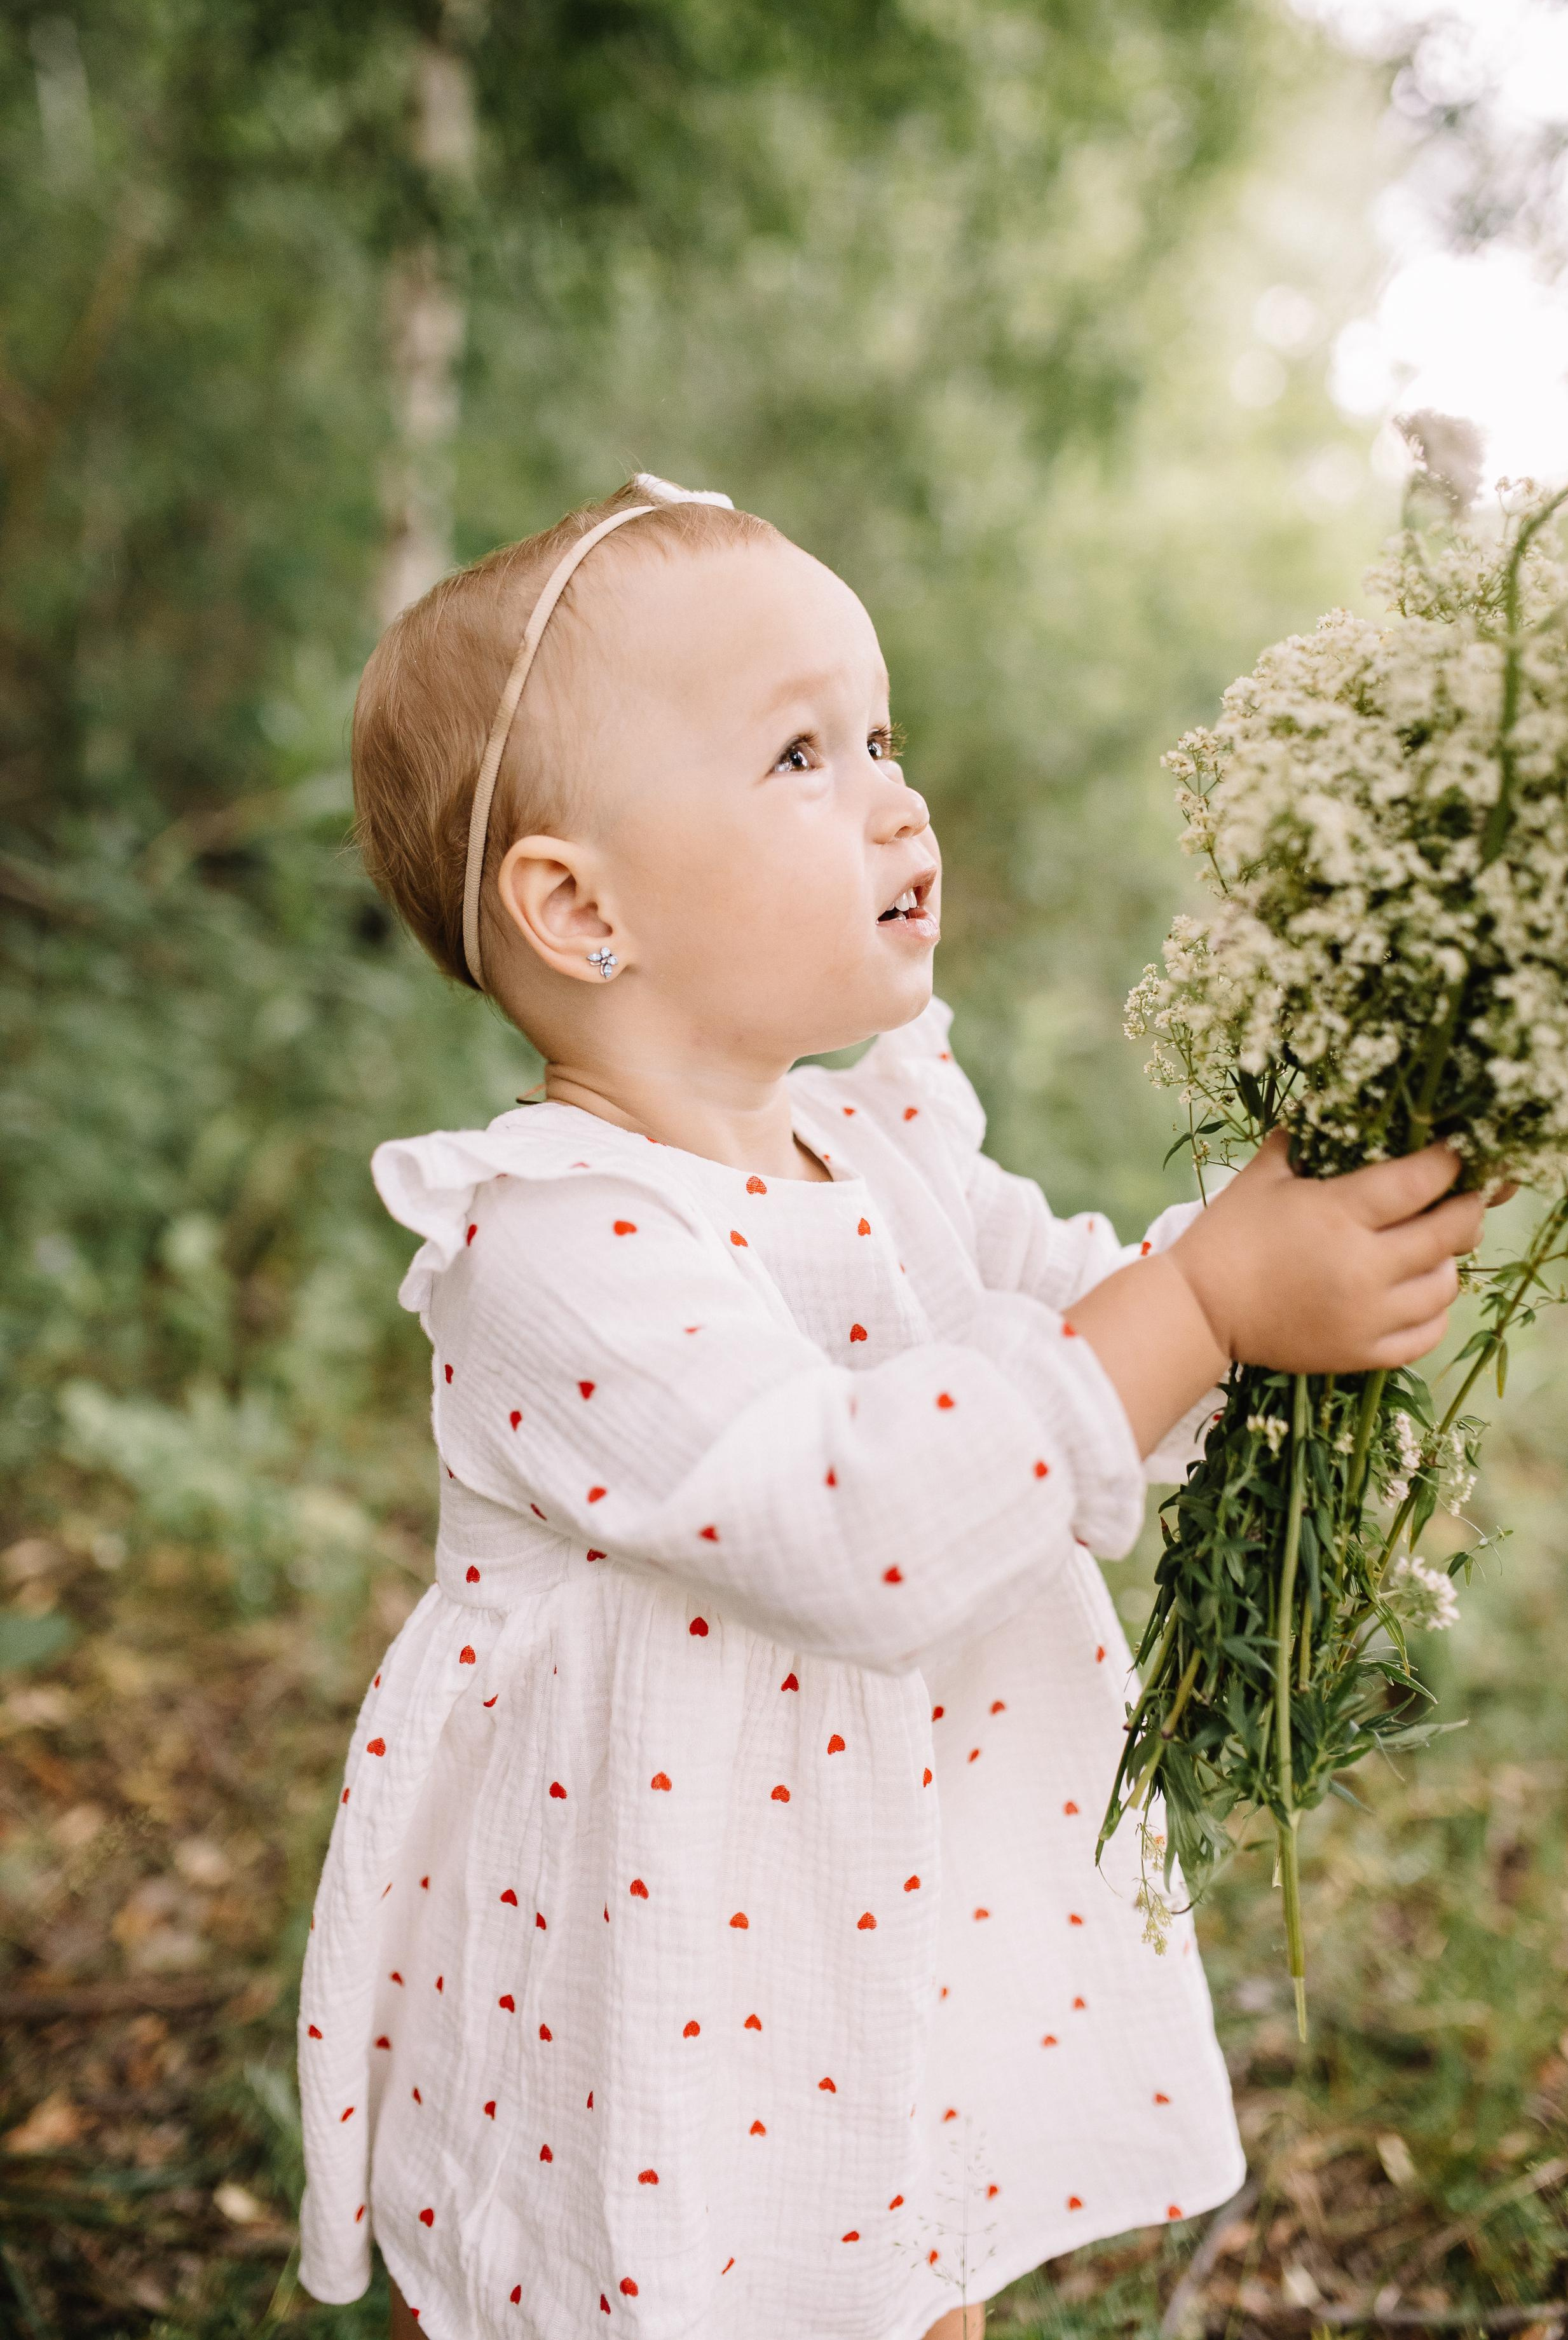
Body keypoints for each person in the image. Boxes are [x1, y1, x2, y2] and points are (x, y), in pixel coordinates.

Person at [296, 475, 1487, 2339]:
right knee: (647, 2274)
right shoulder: (547, 1238)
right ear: (579, 905)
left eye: (883, 736)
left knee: (898, 2244)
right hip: (649, 1964)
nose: (894, 798)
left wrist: (1273, 1292)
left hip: (884, 1917)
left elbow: (1084, 1337)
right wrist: (1201, 1303)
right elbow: (850, 1522)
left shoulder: (885, 1147)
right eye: (799, 752)